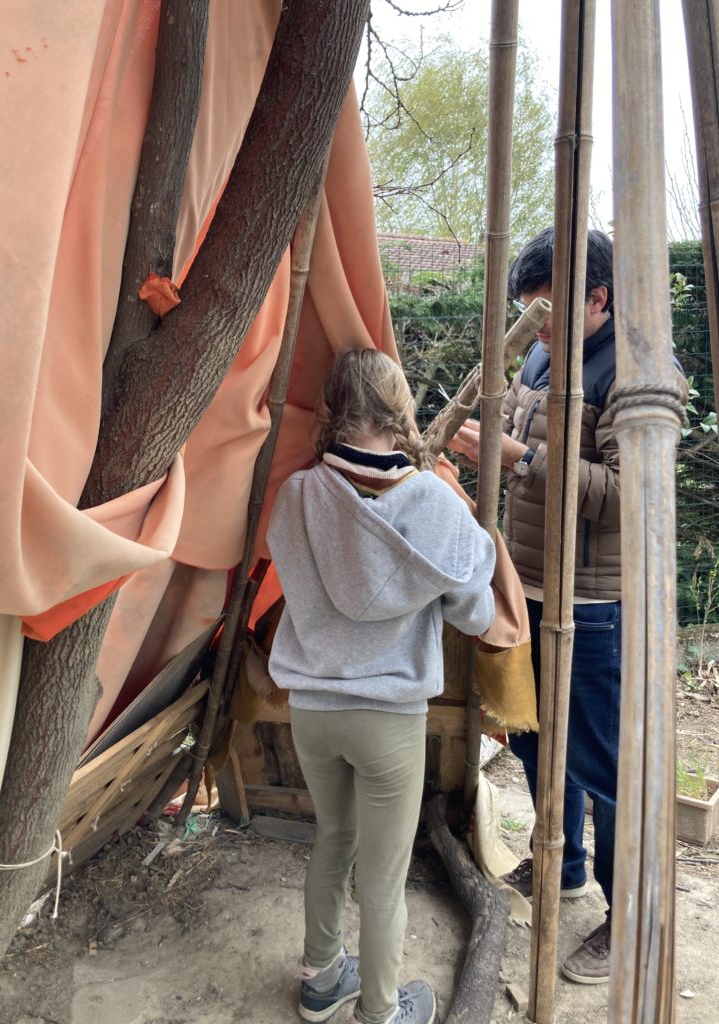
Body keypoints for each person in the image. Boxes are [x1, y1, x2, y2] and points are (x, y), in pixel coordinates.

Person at [267, 348, 497, 1024]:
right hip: (388, 716)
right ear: (399, 410)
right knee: (386, 876)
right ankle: (380, 1011)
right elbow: (476, 613)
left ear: (333, 407)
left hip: (311, 708)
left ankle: (320, 981)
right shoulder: (431, 501)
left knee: (333, 838)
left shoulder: (297, 493)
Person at [450, 228, 626, 985]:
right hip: (525, 588)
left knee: (606, 764)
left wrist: (522, 458)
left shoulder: (637, 373)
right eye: (529, 316)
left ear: (599, 297)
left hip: (592, 602)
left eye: (549, 314)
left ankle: (631, 917)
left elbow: (628, 497)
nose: (536, 330)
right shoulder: (539, 353)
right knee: (529, 738)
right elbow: (526, 456)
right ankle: (565, 866)